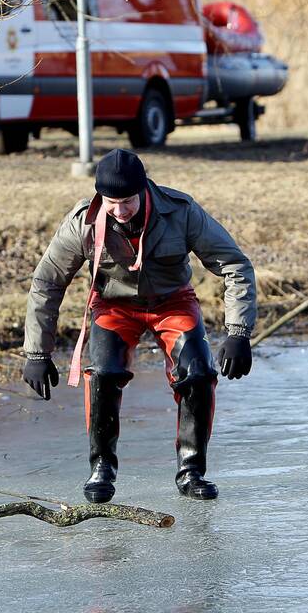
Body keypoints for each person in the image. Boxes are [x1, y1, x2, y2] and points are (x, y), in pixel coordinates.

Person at [22, 149, 256, 502]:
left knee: (198, 372)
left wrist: (238, 333)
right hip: (114, 306)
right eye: (111, 202)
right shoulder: (82, 223)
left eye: (127, 201)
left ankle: (191, 471)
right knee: (103, 372)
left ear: (143, 189)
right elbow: (47, 282)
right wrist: (37, 352)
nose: (119, 210)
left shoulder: (181, 212)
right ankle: (101, 468)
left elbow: (235, 265)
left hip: (171, 301)